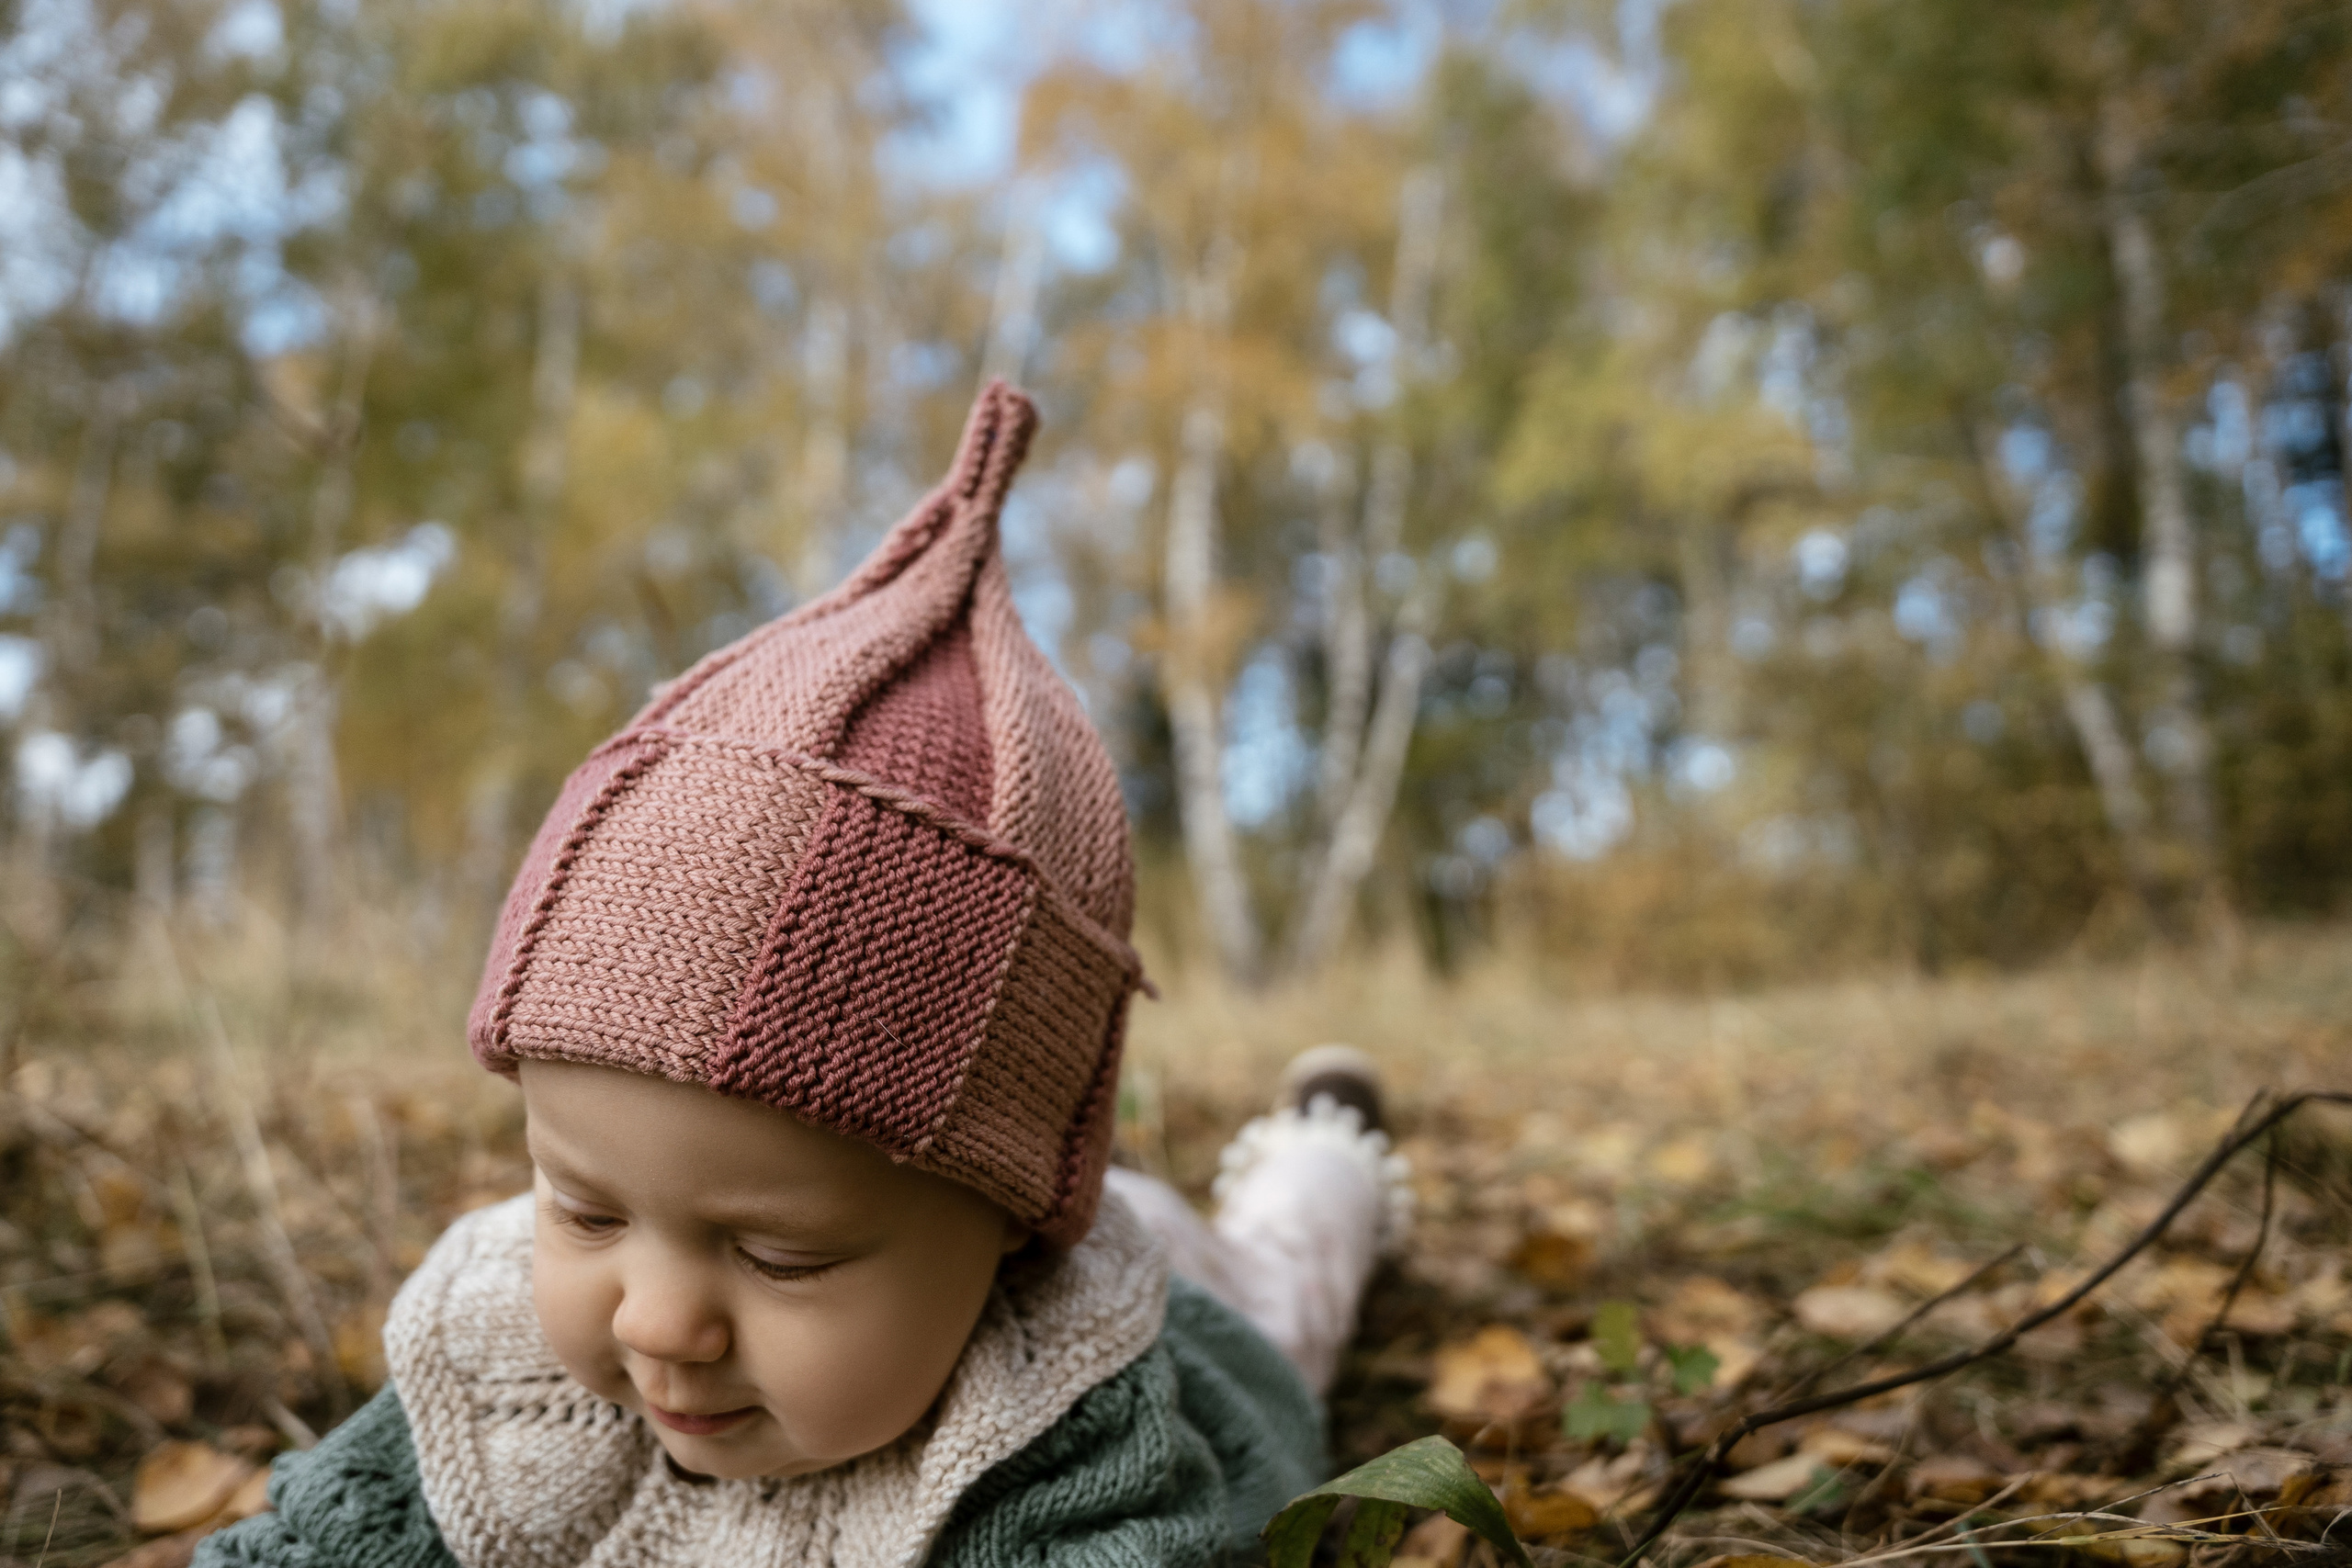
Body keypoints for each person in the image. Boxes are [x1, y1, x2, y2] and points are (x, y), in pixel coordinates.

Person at [197, 382, 1409, 1568]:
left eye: (782, 1258)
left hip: (1184, 1291)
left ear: (1015, 1235)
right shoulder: (496, 1364)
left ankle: (1325, 1144)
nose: (658, 1320)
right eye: (584, 1210)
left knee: (1285, 1281)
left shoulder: (1069, 1433)